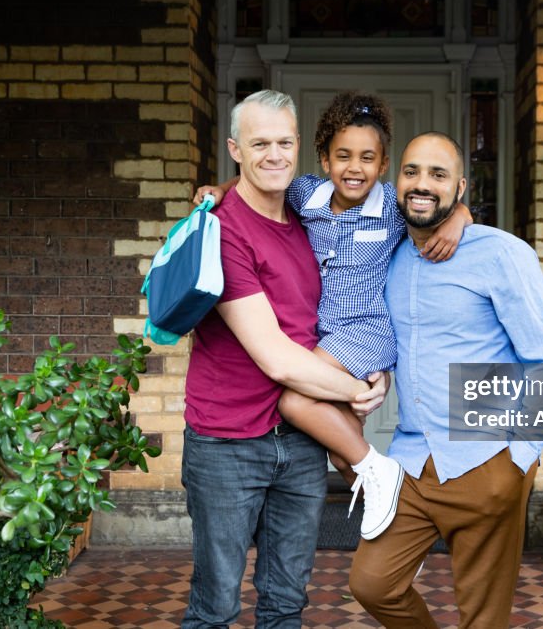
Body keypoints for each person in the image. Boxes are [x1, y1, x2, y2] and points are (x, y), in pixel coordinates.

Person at [196, 91, 470, 540]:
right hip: (322, 337)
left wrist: (459, 216)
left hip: (365, 333)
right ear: (323, 159)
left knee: (293, 400)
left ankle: (383, 476)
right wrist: (218, 190)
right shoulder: (306, 194)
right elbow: (249, 185)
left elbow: (436, 205)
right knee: (341, 449)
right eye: (343, 156)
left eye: (367, 158)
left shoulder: (393, 211)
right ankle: (395, 522)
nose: (354, 168)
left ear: (383, 166)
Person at [181, 89, 388, 628]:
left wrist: (373, 362)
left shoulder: (308, 212)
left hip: (297, 444)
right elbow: (276, 358)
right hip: (229, 442)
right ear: (235, 149)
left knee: (285, 602)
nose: (273, 155)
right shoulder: (223, 229)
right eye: (259, 144)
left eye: (283, 142)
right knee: (216, 606)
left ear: (298, 148)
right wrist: (358, 390)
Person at [349, 132, 543, 628]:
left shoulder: (502, 255)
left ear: (460, 187)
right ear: (394, 181)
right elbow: (303, 197)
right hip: (411, 458)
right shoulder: (385, 253)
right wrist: (222, 192)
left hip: (486, 455)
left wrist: (520, 458)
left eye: (438, 174)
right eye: (411, 172)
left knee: (483, 617)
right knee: (372, 583)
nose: (422, 184)